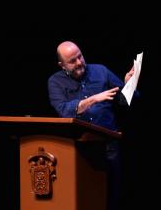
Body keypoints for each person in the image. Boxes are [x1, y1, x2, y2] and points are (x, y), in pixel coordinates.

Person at [47, 41, 137, 210]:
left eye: (80, 56)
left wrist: (127, 85)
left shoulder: (101, 71)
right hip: (78, 146)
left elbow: (124, 102)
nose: (79, 62)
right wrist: (94, 99)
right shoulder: (55, 82)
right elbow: (64, 111)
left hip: (107, 145)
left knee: (111, 195)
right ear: (62, 65)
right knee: (83, 195)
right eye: (72, 61)